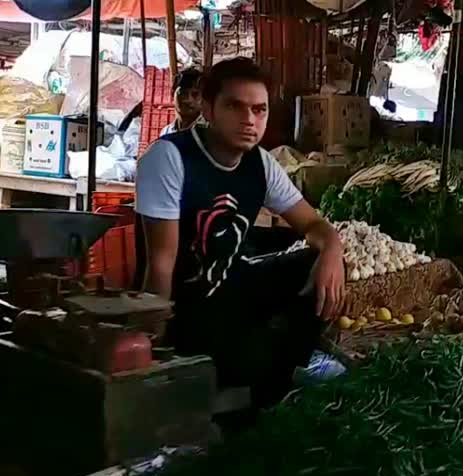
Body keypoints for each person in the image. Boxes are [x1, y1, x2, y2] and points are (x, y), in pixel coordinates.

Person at [135, 58, 345, 407]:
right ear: (207, 107)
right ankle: (249, 377)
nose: (249, 120)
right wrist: (152, 344)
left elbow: (314, 225)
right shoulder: (169, 157)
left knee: (315, 261)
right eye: (235, 106)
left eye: (259, 110)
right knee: (249, 364)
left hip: (232, 292)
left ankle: (281, 370)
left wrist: (332, 251)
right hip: (185, 308)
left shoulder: (260, 163)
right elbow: (161, 264)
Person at [159, 67, 204, 136]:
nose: (188, 100)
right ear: (172, 93)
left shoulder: (207, 133)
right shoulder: (166, 132)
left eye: (195, 94)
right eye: (182, 93)